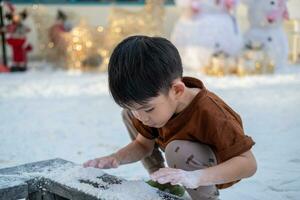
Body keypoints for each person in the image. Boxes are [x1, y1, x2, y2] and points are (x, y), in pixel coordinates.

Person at [83, 35, 257, 200]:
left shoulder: (213, 114)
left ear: (177, 91)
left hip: (213, 170)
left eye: (148, 109)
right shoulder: (153, 105)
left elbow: (248, 164)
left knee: (177, 150)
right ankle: (164, 180)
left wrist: (195, 177)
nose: (141, 117)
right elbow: (143, 145)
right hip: (181, 161)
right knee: (128, 114)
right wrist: (116, 158)